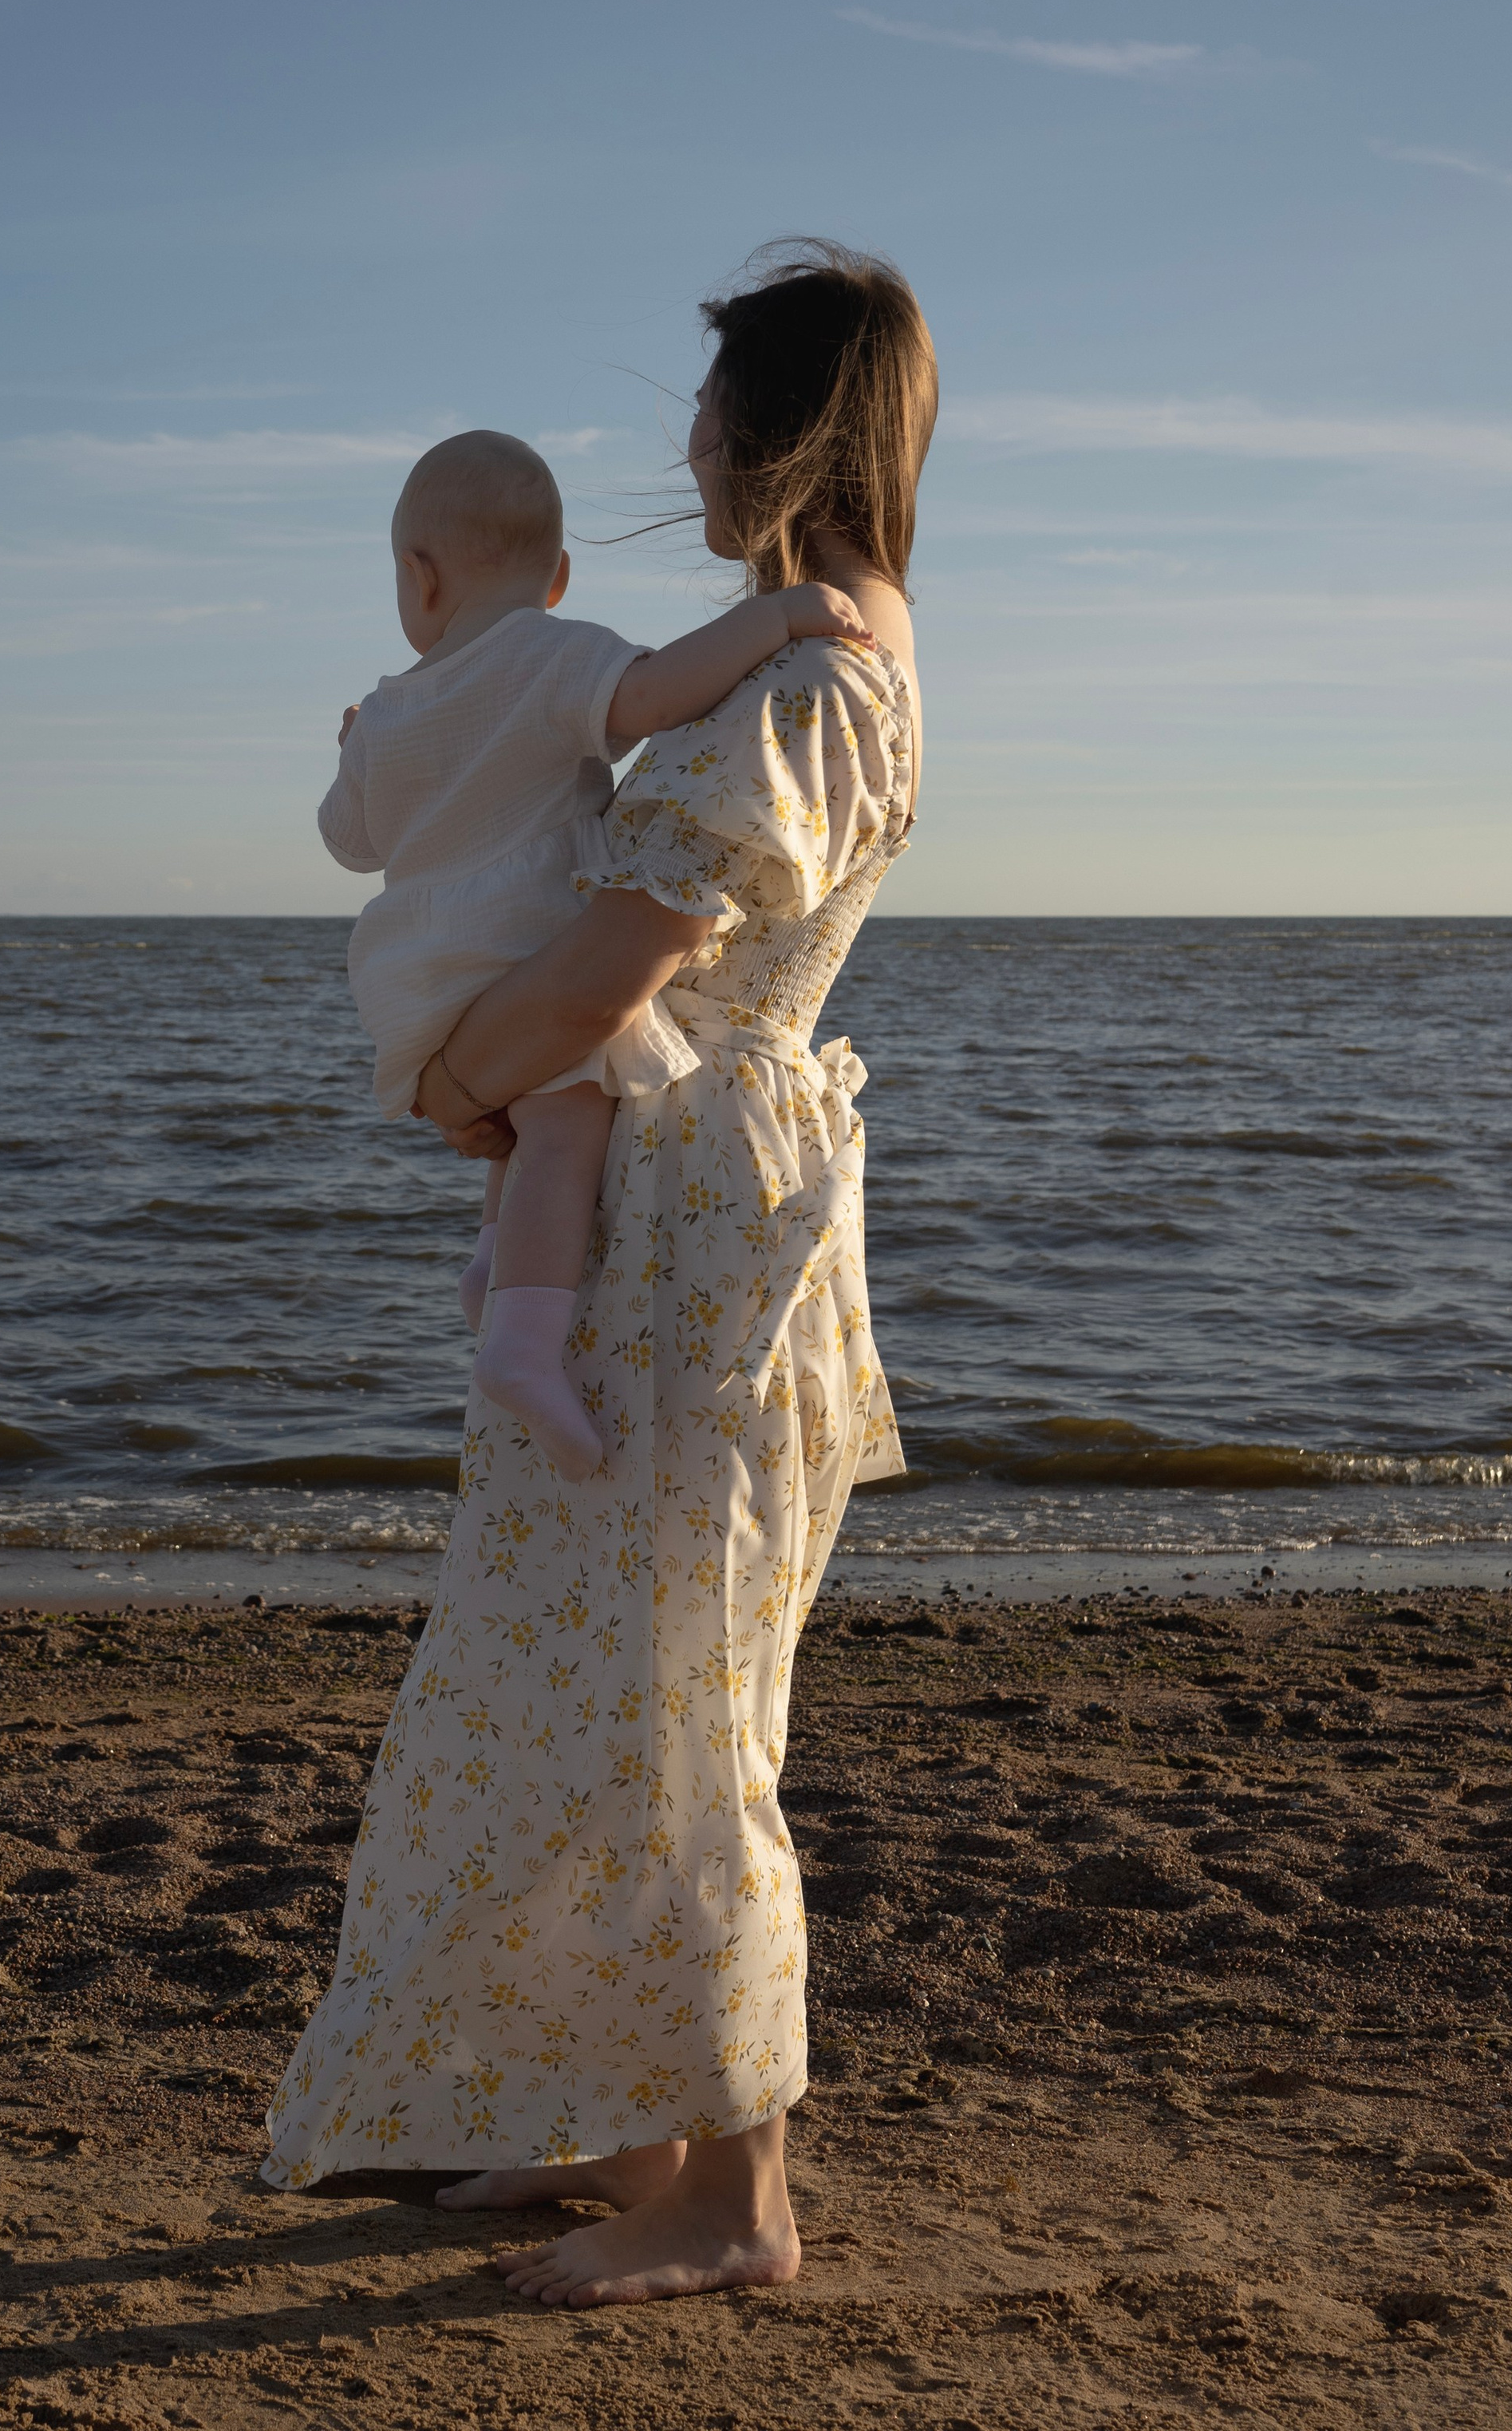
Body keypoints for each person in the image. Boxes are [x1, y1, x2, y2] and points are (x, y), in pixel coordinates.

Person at [264, 241, 933, 2313]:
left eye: (716, 418)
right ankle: (644, 2122)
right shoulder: (837, 650)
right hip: (699, 1186)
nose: (694, 453)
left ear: (783, 429)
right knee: (614, 1675)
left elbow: (606, 964)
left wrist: (450, 1080)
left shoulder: (814, 678)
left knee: (688, 1696)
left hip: (707, 1216)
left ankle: (738, 2199)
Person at [318, 426, 871, 1480]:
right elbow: (657, 695)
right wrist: (781, 613)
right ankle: (524, 1341)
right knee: (567, 1118)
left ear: (416, 578)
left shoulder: (387, 711)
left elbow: (350, 842)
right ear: (559, 577)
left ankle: (495, 1265)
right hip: (519, 947)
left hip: (412, 977)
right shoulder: (551, 653)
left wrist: (355, 752)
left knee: (522, 1130)